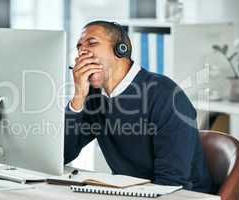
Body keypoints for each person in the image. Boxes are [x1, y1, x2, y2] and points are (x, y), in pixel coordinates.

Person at [64, 20, 214, 193]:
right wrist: (77, 98)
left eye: (92, 43)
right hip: (131, 193)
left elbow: (172, 182)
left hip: (183, 196)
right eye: (79, 47)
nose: (82, 52)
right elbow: (63, 155)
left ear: (121, 50)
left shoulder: (166, 95)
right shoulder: (94, 97)